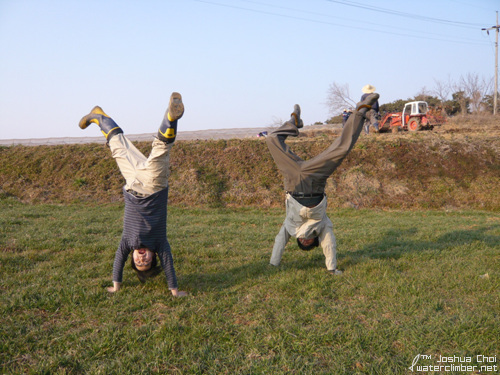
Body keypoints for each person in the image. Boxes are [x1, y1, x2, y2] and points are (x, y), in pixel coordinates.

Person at [78, 92, 187, 296]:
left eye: (138, 262)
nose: (141, 259)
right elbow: (169, 264)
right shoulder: (159, 242)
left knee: (117, 144)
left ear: (133, 257)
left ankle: (97, 115)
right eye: (146, 262)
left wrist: (116, 285)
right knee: (161, 149)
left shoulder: (127, 242)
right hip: (154, 185)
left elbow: (119, 260)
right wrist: (174, 291)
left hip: (132, 182)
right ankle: (171, 117)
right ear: (155, 256)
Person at [266, 93, 379, 275]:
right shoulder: (323, 226)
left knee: (271, 140)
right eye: (308, 244)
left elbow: (279, 241)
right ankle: (360, 111)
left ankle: (294, 123)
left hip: (293, 179)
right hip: (316, 180)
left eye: (301, 243)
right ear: (315, 241)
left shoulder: (289, 227)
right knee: (340, 149)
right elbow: (330, 244)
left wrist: (273, 264)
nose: (304, 241)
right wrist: (331, 269)